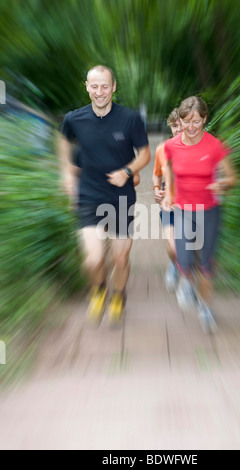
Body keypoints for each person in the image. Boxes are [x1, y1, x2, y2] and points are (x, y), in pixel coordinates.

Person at [59, 65, 151, 326]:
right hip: (89, 196)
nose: (100, 92)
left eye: (105, 86)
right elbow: (64, 142)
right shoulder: (73, 119)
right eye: (94, 86)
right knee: (94, 259)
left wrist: (127, 170)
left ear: (114, 87)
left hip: (121, 197)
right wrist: (66, 173)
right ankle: (99, 290)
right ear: (86, 86)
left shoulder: (131, 119)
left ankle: (119, 296)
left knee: (120, 258)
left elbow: (145, 154)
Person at [162, 96, 237, 333]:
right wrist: (167, 194)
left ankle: (205, 307)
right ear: (180, 120)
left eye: (196, 121)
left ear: (204, 119)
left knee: (206, 265)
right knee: (184, 261)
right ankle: (186, 280)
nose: (191, 126)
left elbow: (233, 177)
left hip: (210, 211)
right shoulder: (171, 146)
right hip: (183, 210)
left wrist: (223, 185)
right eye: (186, 121)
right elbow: (170, 173)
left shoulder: (215, 146)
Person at [152, 108, 182, 291]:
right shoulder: (161, 149)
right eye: (174, 125)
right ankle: (174, 265)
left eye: (181, 124)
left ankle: (187, 271)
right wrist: (157, 189)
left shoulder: (195, 148)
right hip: (168, 203)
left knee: (191, 244)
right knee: (173, 247)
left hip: (192, 203)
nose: (178, 129)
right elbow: (156, 175)